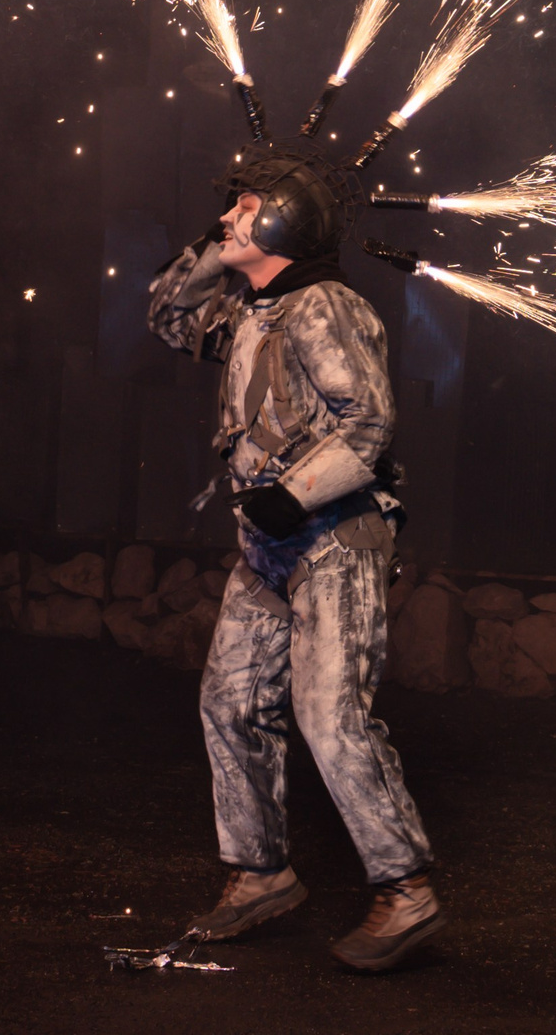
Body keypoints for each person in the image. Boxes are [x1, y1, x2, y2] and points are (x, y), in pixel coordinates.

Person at [146, 141, 442, 973]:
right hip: (269, 546)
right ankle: (261, 873)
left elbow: (369, 420)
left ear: (283, 220)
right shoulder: (253, 311)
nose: (227, 216)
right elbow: (167, 316)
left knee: (329, 715)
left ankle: (406, 889)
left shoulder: (324, 307)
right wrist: (216, 242)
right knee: (231, 702)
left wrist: (296, 493)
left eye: (244, 207)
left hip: (335, 540)